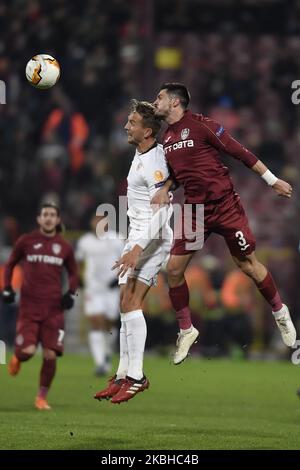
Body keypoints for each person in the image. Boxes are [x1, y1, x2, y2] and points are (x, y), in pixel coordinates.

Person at [152, 82, 296, 363]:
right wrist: (166, 187)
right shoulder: (166, 137)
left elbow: (240, 152)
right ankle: (186, 329)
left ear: (175, 102)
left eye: (160, 98)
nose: (155, 102)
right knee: (173, 269)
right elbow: (180, 173)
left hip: (225, 206)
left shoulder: (203, 125)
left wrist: (272, 180)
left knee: (248, 265)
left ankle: (280, 311)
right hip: (194, 212)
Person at [94, 100, 173, 404]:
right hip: (137, 235)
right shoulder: (140, 153)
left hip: (152, 239)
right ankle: (123, 374)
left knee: (133, 301)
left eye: (132, 122)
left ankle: (137, 377)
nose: (126, 126)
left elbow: (163, 211)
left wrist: (137, 249)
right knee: (124, 300)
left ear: (148, 131)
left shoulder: (155, 160)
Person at [2, 203, 79, 410]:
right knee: (27, 352)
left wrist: (70, 293)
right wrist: (7, 288)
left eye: (52, 215)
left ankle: (41, 397)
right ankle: (17, 357)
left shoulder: (64, 247)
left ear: (57, 220)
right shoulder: (26, 241)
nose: (48, 218)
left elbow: (73, 272)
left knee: (50, 354)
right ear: (39, 219)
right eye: (45, 214)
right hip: (28, 309)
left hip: (54, 310)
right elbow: (10, 264)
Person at [76, 212, 124, 376]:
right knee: (96, 322)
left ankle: (107, 353)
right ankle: (100, 363)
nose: (98, 222)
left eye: (101, 219)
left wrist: (117, 279)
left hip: (111, 289)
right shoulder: (85, 242)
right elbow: (79, 262)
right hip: (93, 289)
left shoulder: (116, 239)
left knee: (109, 324)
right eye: (95, 219)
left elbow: (126, 261)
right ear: (91, 222)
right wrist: (80, 279)